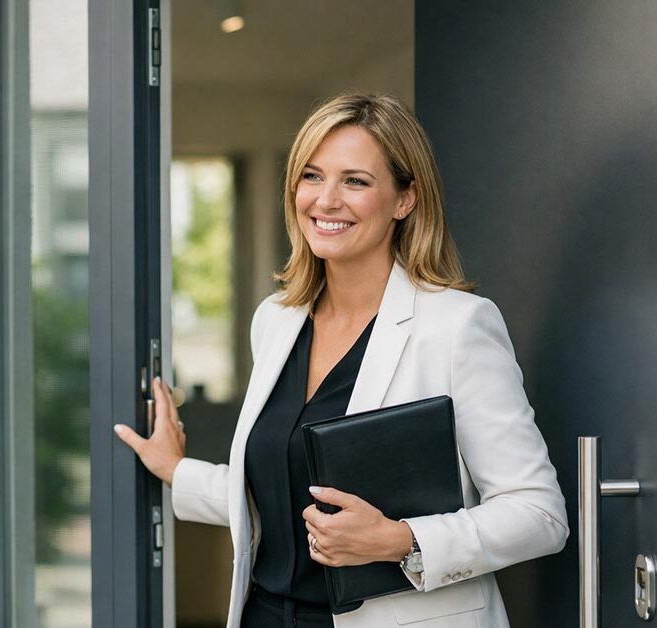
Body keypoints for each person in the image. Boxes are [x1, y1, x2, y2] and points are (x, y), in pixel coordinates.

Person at [115, 93, 568, 628]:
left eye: (355, 181)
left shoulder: (457, 327)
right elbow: (283, 494)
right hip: (266, 615)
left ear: (405, 200)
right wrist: (176, 470)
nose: (326, 200)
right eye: (312, 176)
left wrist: (400, 540)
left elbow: (539, 513)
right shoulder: (277, 320)